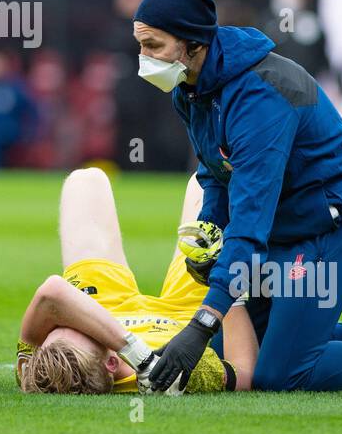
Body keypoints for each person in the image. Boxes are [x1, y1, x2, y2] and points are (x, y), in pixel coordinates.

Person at [128, 0, 342, 393]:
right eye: (141, 45)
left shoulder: (259, 96)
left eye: (153, 45)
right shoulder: (190, 87)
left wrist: (202, 321)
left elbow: (251, 219)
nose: (144, 58)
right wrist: (210, 232)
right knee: (235, 355)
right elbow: (216, 174)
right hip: (285, 228)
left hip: (331, 226)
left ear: (192, 43)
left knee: (280, 375)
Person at [17, 167, 258, 394]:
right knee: (205, 180)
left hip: (101, 299)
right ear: (112, 363)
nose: (78, 322)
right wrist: (225, 285)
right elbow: (244, 374)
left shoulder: (40, 370)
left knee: (86, 180)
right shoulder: (169, 374)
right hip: (184, 315)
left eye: (68, 322)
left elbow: (53, 292)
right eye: (92, 332)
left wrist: (135, 351)